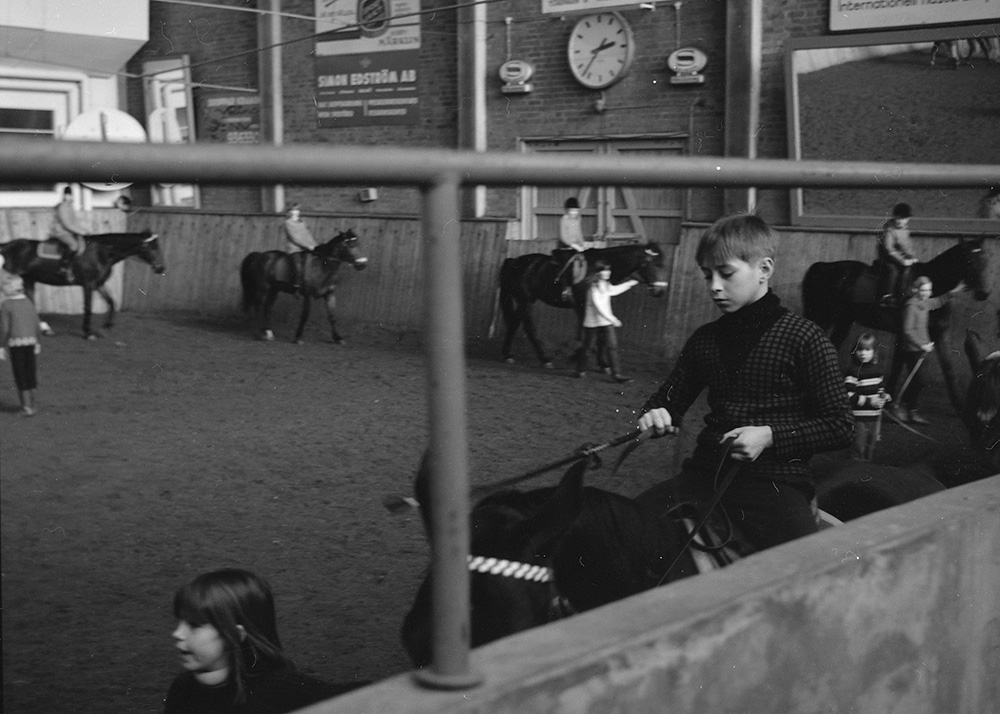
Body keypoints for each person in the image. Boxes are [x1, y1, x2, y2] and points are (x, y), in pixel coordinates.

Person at [636, 213, 852, 552]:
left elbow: (840, 425)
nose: (714, 287)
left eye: (726, 274)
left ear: (764, 270)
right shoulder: (705, 339)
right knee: (626, 532)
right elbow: (668, 399)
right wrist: (655, 414)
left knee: (805, 571)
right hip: (703, 476)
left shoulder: (806, 338)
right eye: (708, 276)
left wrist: (768, 436)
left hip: (776, 483)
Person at [163, 568, 349, 714]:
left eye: (194, 625)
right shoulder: (182, 689)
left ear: (235, 635)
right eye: (179, 621)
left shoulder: (283, 689)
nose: (177, 633)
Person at [891, 276, 950, 426]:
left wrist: (952, 292)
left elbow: (937, 301)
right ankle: (902, 407)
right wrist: (922, 345)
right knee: (918, 380)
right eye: (923, 290)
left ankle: (910, 409)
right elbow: (907, 330)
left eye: (929, 290)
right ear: (916, 290)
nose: (927, 293)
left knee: (919, 381)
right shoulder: (911, 306)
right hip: (912, 349)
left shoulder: (924, 303)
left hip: (922, 349)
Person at [576, 259, 637, 383]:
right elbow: (598, 307)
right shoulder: (592, 288)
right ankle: (581, 370)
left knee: (612, 346)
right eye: (605, 270)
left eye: (608, 269)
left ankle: (617, 374)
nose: (608, 272)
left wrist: (631, 283)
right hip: (593, 322)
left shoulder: (606, 285)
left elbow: (614, 290)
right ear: (598, 272)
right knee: (588, 347)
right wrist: (612, 318)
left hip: (606, 321)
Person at [0, 276, 42, 416]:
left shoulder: (7, 305)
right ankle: (33, 404)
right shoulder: (28, 302)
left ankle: (26, 407)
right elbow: (36, 323)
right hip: (31, 342)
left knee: (20, 374)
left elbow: (4, 328)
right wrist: (38, 341)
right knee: (30, 373)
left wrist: (1, 345)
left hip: (16, 344)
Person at [845, 333, 889, 461]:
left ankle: (867, 470)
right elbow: (849, 395)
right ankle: (854, 470)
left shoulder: (877, 371)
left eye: (867, 349)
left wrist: (884, 396)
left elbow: (879, 388)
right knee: (859, 446)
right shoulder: (853, 372)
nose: (863, 353)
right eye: (860, 349)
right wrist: (870, 401)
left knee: (871, 446)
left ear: (874, 351)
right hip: (859, 418)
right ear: (855, 351)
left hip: (874, 417)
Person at [876, 202, 916, 307]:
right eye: (898, 218)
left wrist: (912, 257)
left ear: (908, 219)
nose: (900, 221)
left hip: (900, 259)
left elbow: (907, 247)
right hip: (887, 259)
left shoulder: (905, 230)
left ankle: (904, 295)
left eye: (903, 219)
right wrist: (902, 260)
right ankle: (887, 296)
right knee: (893, 271)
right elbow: (889, 248)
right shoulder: (889, 229)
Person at [49, 186, 90, 281]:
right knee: (74, 246)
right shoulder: (63, 206)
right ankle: (65, 267)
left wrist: (84, 230)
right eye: (68, 195)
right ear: (64, 196)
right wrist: (81, 231)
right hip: (61, 232)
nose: (69, 197)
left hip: (70, 231)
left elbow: (74, 222)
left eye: (71, 195)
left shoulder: (70, 206)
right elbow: (67, 224)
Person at [553, 197, 588, 302]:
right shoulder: (563, 220)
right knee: (567, 265)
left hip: (576, 247)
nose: (574, 213)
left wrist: (583, 244)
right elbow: (563, 237)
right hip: (565, 248)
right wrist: (574, 245)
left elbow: (579, 233)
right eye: (572, 211)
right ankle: (565, 289)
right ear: (567, 211)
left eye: (576, 211)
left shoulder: (577, 219)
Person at [282, 203, 318, 291]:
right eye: (293, 210)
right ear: (289, 212)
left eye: (297, 210)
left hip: (306, 248)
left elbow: (308, 235)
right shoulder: (288, 223)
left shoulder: (302, 222)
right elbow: (294, 238)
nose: (295, 212)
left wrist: (315, 245)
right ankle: (296, 286)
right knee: (297, 266)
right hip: (294, 249)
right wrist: (307, 246)